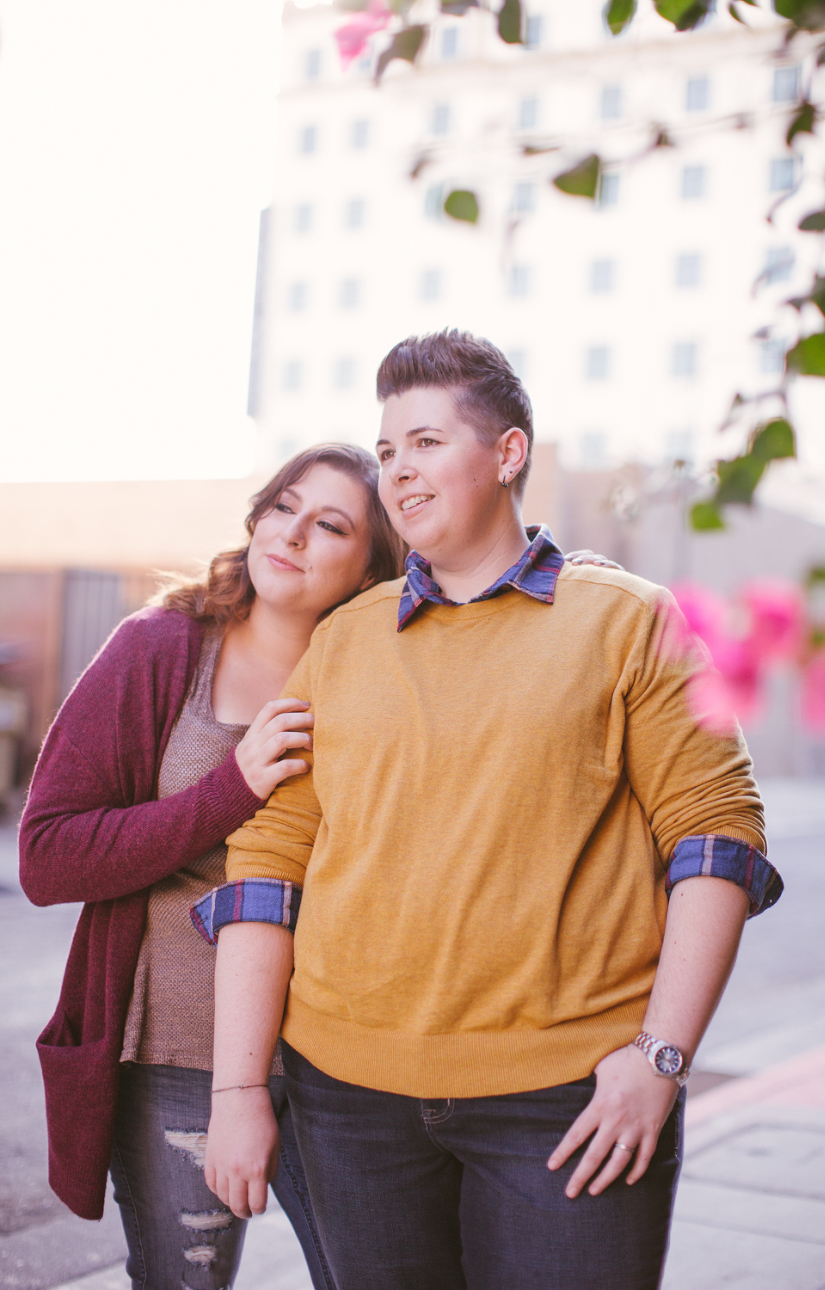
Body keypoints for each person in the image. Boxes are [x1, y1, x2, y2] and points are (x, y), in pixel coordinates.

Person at [203, 331, 783, 1290]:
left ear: (507, 454)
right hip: (348, 1102)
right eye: (387, 451)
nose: (398, 473)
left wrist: (661, 1059)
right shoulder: (345, 640)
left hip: (566, 1101)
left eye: (425, 442)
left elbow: (717, 831)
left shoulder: (629, 619)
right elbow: (267, 861)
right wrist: (237, 1090)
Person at [18, 444, 406, 1290]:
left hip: (344, 1056)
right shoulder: (161, 648)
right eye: (284, 508)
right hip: (180, 1056)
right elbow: (47, 857)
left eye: (330, 524)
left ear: (372, 565)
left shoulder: (383, 677)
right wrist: (231, 789)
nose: (294, 534)